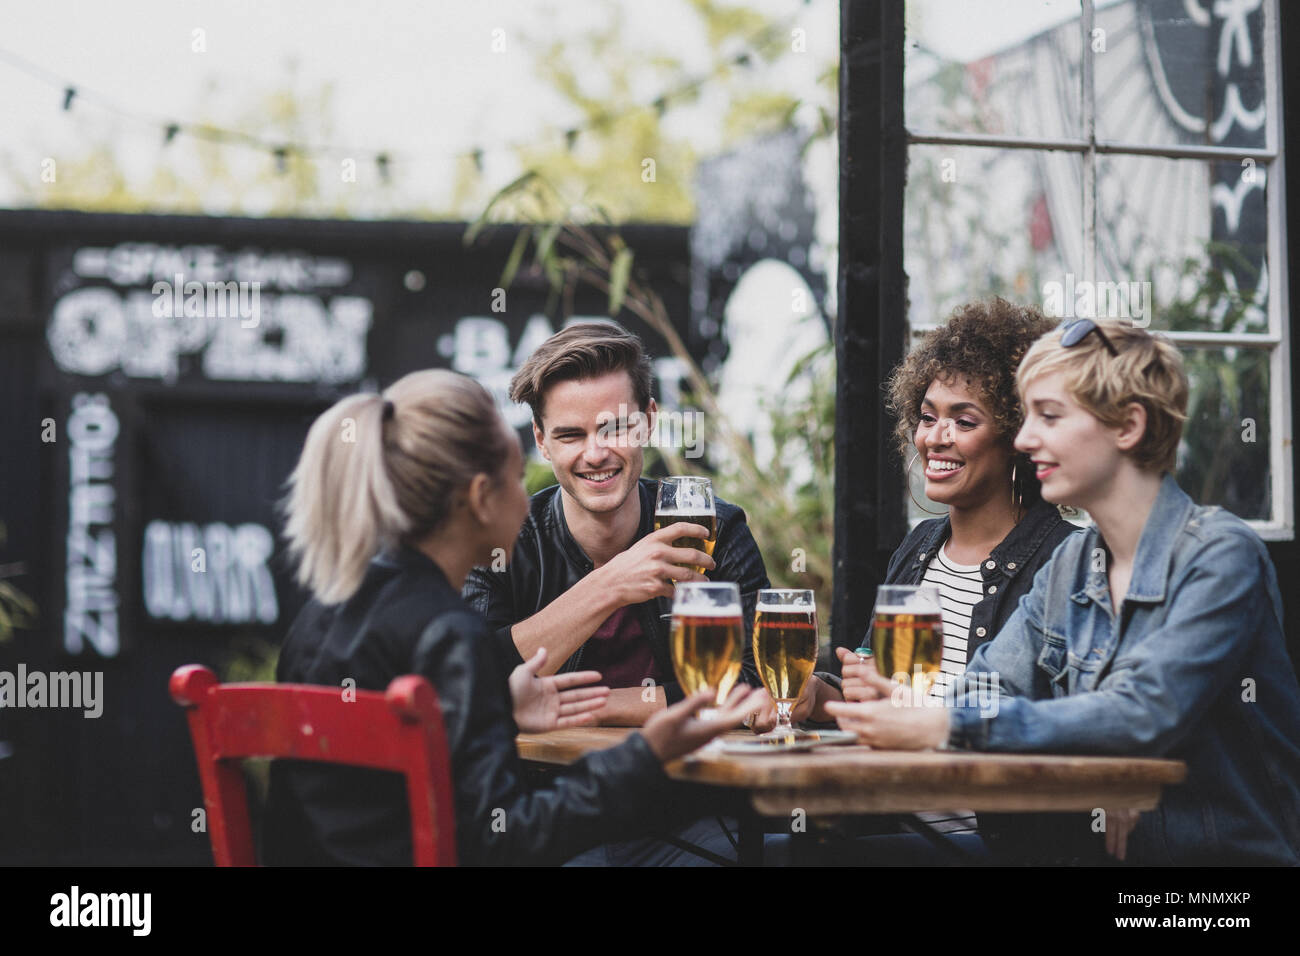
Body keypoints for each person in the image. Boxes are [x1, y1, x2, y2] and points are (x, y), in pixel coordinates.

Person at [828, 320, 1300, 866]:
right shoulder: (1073, 563)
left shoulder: (1220, 554)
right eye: (1026, 417)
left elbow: (1141, 714)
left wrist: (940, 723)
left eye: (1048, 417)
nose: (1025, 440)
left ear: (1128, 426)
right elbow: (990, 687)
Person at [262, 369, 767, 866]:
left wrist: (498, 706)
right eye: (516, 479)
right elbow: (505, 840)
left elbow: (378, 799)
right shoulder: (447, 633)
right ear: (483, 498)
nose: (529, 500)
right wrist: (646, 757)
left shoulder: (321, 616)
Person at [778, 300, 1077, 857]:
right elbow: (879, 689)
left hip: (991, 841)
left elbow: (1065, 728)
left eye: (964, 421)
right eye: (926, 415)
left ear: (1018, 436)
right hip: (890, 820)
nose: (935, 437)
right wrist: (822, 695)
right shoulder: (919, 547)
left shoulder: (1062, 560)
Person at [463, 323, 771, 726]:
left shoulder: (717, 529)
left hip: (687, 781)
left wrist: (585, 707)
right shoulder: (501, 541)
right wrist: (609, 586)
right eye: (571, 435)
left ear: (648, 421)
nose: (596, 453)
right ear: (541, 441)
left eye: (616, 428)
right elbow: (474, 676)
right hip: (545, 784)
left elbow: (758, 683)